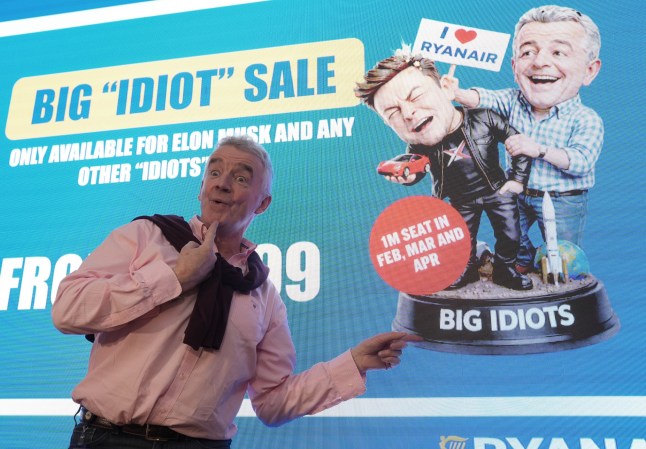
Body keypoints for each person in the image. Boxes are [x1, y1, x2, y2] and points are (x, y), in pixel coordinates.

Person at [52, 135, 420, 449]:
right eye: (214, 173)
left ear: (263, 203)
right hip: (105, 438)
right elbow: (67, 309)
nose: (222, 184)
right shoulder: (146, 237)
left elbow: (273, 402)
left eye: (241, 177)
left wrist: (352, 363)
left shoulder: (264, 296)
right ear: (201, 188)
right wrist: (175, 277)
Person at [355, 52, 532, 291]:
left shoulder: (485, 118)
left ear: (446, 89)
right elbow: (418, 167)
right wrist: (408, 177)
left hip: (497, 191)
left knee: (510, 235)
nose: (408, 113)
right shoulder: (418, 145)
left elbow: (519, 144)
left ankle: (505, 270)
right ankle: (465, 270)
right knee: (460, 240)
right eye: (393, 113)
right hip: (459, 201)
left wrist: (517, 181)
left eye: (415, 95)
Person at [449, 5, 603, 273]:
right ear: (514, 66)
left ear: (589, 70)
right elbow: (485, 99)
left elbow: (581, 162)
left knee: (564, 252)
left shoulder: (586, 119)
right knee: (509, 231)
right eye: (528, 52)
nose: (540, 62)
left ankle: (561, 281)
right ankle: (520, 264)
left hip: (563, 199)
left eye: (558, 52)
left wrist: (539, 150)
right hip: (519, 191)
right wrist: (457, 93)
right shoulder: (512, 101)